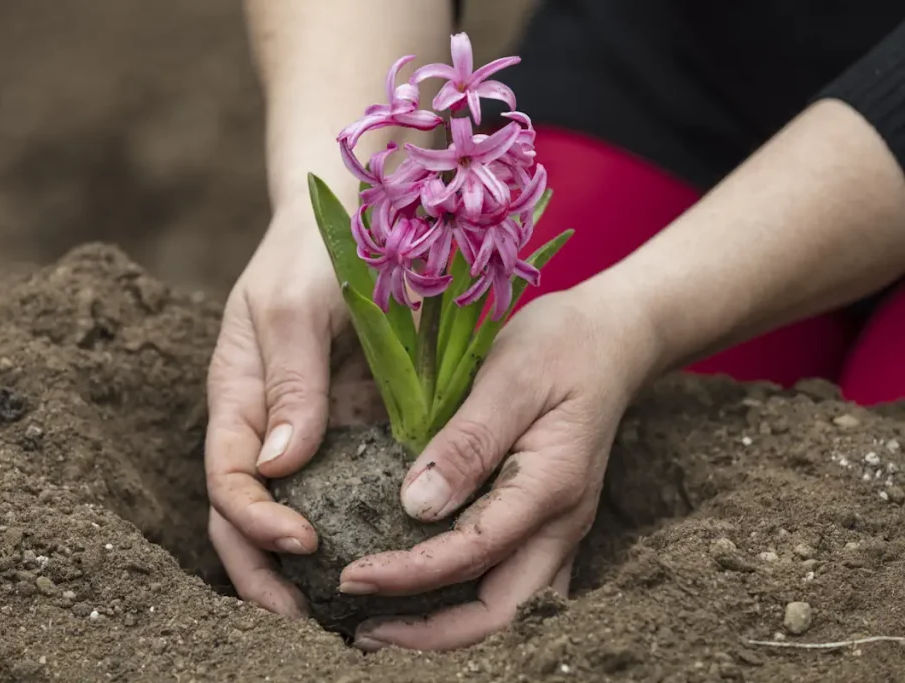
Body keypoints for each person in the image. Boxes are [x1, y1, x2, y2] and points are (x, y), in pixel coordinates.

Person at [205, 0, 905, 652]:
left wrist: (639, 316)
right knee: (533, 362)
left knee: (879, 468)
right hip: (663, 66)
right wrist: (327, 200)